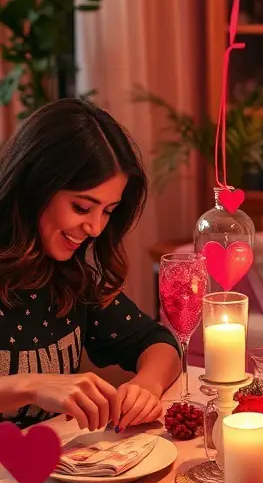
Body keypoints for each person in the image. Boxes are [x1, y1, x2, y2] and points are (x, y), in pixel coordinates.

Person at [0, 99, 180, 431]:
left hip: (43, 473)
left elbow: (157, 343)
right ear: (36, 186)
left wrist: (147, 386)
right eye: (82, 208)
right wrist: (29, 386)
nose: (96, 229)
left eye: (108, 211)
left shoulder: (68, 274)